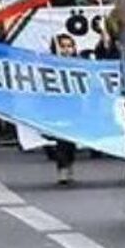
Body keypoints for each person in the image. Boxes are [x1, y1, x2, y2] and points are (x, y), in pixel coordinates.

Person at [51, 33, 79, 185]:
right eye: (63, 46)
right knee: (61, 140)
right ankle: (62, 167)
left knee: (70, 140)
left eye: (69, 46)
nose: (66, 50)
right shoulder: (51, 65)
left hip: (75, 108)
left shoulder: (79, 65)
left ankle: (69, 164)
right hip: (58, 108)